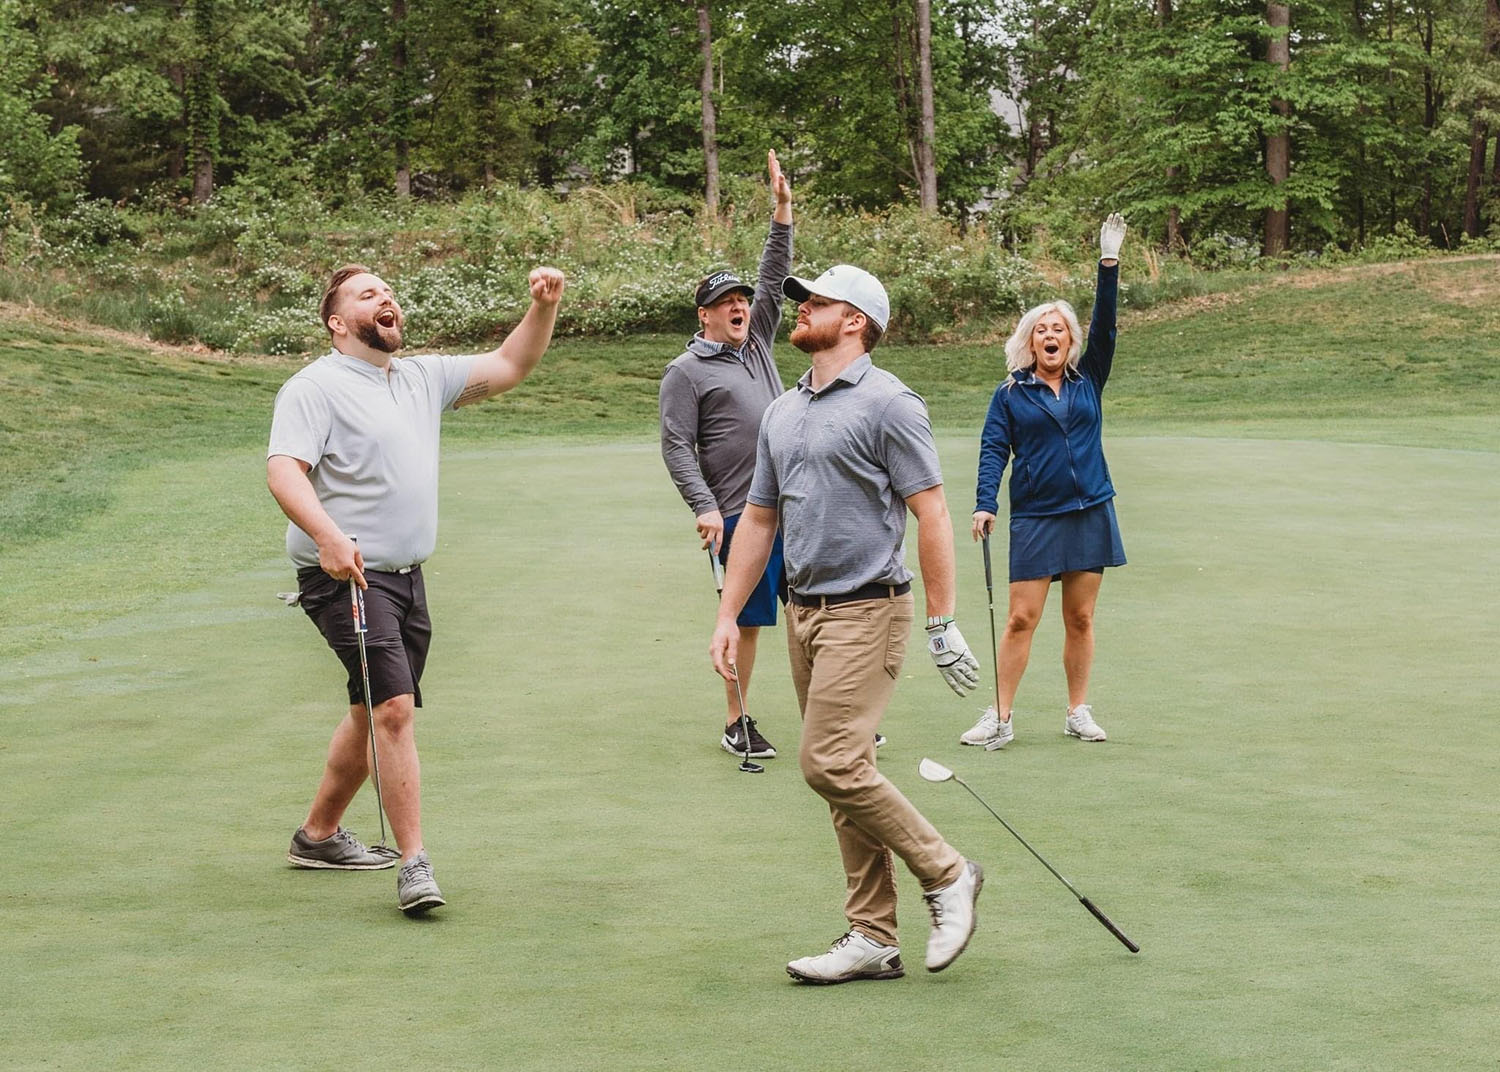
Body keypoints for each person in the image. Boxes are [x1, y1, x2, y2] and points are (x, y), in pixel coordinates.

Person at [710, 263, 985, 984]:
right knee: (844, 775)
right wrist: (727, 614)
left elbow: (932, 511)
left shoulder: (891, 404)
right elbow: (760, 520)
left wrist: (941, 619)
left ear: (855, 321)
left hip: (870, 606)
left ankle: (948, 872)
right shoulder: (784, 410)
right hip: (804, 610)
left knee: (827, 762)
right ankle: (874, 935)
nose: (799, 311)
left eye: (816, 303)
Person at [268, 262, 565, 915]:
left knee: (371, 707)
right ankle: (415, 863)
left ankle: (316, 836)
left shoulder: (421, 378)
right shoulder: (313, 388)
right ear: (337, 322)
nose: (387, 298)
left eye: (388, 291)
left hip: (405, 578)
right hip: (343, 575)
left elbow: (511, 365)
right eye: (368, 294)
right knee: (393, 710)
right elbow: (285, 471)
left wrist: (542, 307)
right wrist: (326, 535)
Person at [961, 213, 1127, 751]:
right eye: (1042, 329)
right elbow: (993, 449)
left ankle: (1077, 710)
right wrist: (986, 503)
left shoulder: (1089, 379)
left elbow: (1106, 325)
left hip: (1090, 509)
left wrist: (1108, 265)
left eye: (1059, 329)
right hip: (1035, 515)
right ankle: (1001, 715)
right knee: (1020, 618)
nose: (1051, 335)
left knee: (1079, 616)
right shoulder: (1010, 394)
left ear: (1071, 342)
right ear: (1029, 342)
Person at [660, 150, 792, 761]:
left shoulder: (760, 342)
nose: (742, 305)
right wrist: (705, 506)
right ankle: (737, 720)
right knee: (747, 619)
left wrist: (782, 212)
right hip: (739, 514)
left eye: (743, 299)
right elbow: (676, 446)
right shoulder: (685, 372)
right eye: (728, 302)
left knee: (815, 610)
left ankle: (832, 715)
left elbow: (773, 278)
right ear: (706, 314)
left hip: (796, 502)